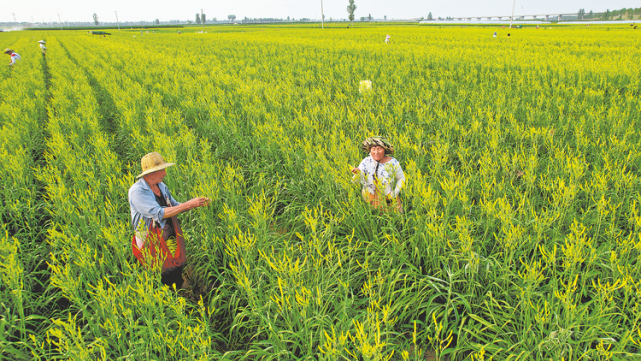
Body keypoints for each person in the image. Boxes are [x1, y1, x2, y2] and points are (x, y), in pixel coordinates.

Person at [128, 152, 211, 288]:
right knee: (161, 270)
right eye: (162, 170)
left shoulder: (161, 186)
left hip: (168, 232)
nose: (165, 173)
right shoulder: (137, 191)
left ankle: (179, 285)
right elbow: (158, 213)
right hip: (150, 238)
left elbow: (175, 206)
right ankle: (171, 298)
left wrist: (197, 203)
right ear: (151, 173)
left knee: (176, 261)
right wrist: (189, 204)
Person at [351, 136, 405, 212]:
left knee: (395, 218)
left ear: (385, 150)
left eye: (379, 149)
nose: (376, 152)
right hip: (370, 197)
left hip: (388, 197)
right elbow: (355, 181)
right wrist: (357, 174)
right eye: (373, 149)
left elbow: (401, 178)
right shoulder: (366, 162)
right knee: (375, 219)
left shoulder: (393, 162)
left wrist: (394, 193)